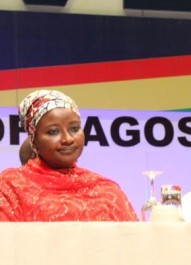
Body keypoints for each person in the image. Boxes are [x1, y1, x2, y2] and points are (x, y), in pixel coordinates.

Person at [0, 90, 138, 221]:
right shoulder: (10, 186)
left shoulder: (107, 190)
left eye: (74, 129)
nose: (68, 139)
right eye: (53, 131)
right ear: (34, 139)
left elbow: (135, 241)